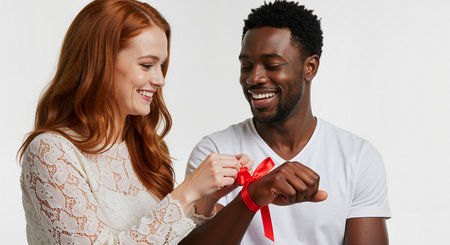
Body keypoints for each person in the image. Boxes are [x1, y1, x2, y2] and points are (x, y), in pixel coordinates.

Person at [18, 0, 253, 244]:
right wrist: (186, 193)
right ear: (101, 62)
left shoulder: (143, 149)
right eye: (146, 65)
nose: (160, 79)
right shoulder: (50, 151)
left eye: (161, 65)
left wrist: (204, 201)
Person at [185, 1, 391, 244]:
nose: (254, 78)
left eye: (272, 65)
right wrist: (253, 197)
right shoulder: (215, 152)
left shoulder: (357, 156)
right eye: (246, 66)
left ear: (310, 67)